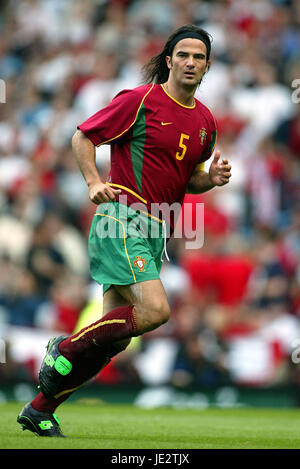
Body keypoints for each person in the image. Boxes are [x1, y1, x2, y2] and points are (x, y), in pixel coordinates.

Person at [17, 24, 232, 437]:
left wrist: (213, 178)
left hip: (157, 232)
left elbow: (186, 179)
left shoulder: (206, 121)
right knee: (156, 311)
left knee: (111, 340)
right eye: (183, 55)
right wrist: (94, 182)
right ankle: (62, 348)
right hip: (122, 219)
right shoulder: (140, 100)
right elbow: (83, 136)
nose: (190, 62)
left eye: (199, 57)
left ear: (207, 66)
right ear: (169, 60)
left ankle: (41, 408)